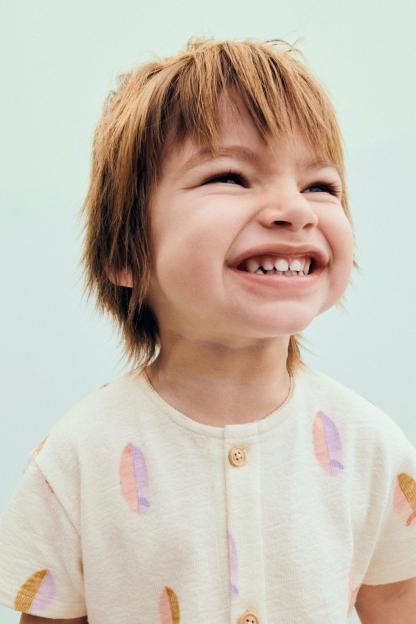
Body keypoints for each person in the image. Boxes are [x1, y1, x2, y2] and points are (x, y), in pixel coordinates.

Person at [1, 36, 415, 624]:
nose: (296, 210)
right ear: (126, 255)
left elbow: (396, 600)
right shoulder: (78, 458)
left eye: (320, 186)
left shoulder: (370, 445)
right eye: (230, 176)